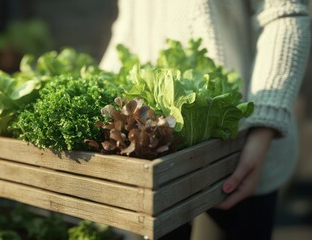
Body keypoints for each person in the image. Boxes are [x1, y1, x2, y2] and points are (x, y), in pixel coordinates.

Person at [99, 0, 311, 239]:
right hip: (154, 153)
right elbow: (129, 27)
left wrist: (262, 130)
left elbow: (284, 12)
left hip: (237, 150)